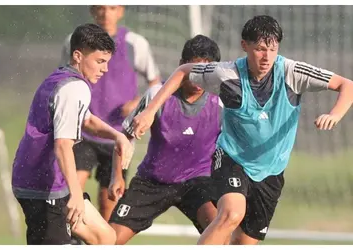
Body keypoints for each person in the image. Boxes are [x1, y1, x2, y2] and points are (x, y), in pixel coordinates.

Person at [131, 15, 353, 245]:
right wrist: (149, 112)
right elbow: (184, 71)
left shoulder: (292, 73)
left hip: (271, 170)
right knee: (231, 215)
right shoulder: (227, 75)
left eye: (272, 49)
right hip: (232, 158)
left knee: (244, 243)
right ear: (244, 46)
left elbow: (347, 85)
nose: (266, 57)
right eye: (259, 49)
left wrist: (335, 114)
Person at [11, 23, 133, 245]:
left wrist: (118, 136)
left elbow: (85, 119)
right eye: (99, 61)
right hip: (42, 188)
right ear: (78, 55)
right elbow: (62, 145)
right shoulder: (74, 88)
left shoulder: (62, 78)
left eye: (107, 62)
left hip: (46, 182)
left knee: (104, 237)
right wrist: (76, 194)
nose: (105, 69)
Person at [107, 35, 222, 245]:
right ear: (181, 66)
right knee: (108, 240)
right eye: (194, 70)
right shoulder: (157, 95)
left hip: (197, 183)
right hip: (152, 181)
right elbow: (125, 136)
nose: (198, 79)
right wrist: (117, 176)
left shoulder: (222, 103)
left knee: (221, 234)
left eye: (206, 71)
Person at [60, 5, 160, 221]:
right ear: (92, 10)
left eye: (112, 8)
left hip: (119, 136)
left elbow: (155, 84)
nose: (106, 14)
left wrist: (137, 102)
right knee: (72, 191)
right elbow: (63, 78)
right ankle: (72, 238)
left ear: (121, 11)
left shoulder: (136, 43)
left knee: (108, 205)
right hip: (83, 131)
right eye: (101, 8)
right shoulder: (73, 41)